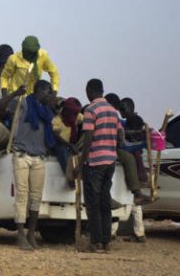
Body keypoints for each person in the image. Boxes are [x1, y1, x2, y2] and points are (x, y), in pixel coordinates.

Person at [9, 80, 55, 250]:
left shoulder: (46, 112)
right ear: (39, 91)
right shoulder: (24, 104)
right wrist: (15, 93)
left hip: (39, 157)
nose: (51, 95)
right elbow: (4, 106)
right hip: (21, 154)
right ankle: (21, 235)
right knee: (22, 195)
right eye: (48, 92)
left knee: (36, 197)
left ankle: (30, 234)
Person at [79, 78, 121, 253]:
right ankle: (106, 242)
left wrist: (82, 161)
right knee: (105, 201)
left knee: (93, 204)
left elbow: (88, 137)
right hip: (110, 160)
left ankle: (95, 243)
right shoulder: (113, 111)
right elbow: (120, 136)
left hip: (95, 161)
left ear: (90, 91)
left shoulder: (91, 110)